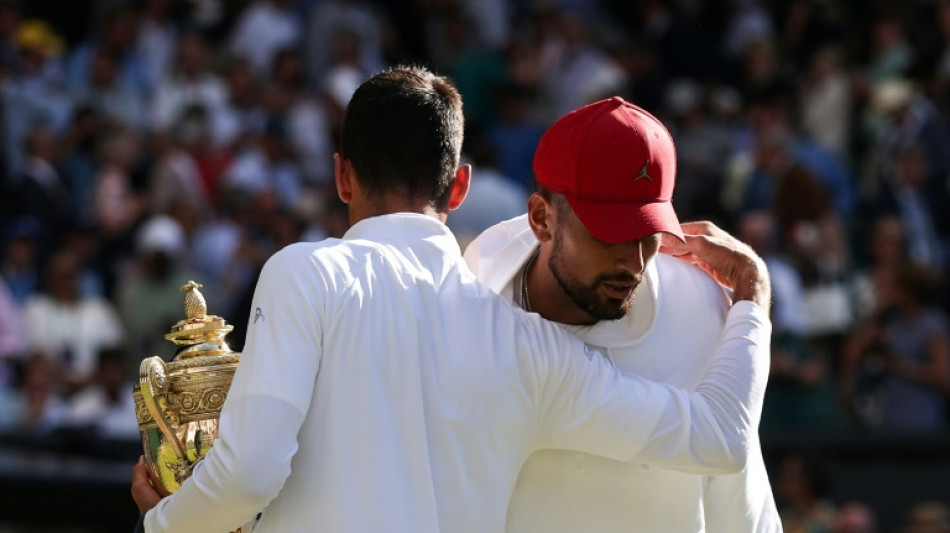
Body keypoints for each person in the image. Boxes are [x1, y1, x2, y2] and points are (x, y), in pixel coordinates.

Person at [131, 66, 772, 532]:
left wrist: (163, 524)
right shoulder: (531, 346)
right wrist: (751, 296)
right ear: (460, 186)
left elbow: (246, 478)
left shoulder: (305, 272)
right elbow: (720, 436)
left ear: (341, 176)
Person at [464, 96, 782, 532]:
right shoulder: (475, 298)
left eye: (647, 232)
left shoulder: (698, 299)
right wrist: (754, 287)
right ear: (542, 219)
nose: (633, 262)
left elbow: (742, 497)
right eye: (609, 232)